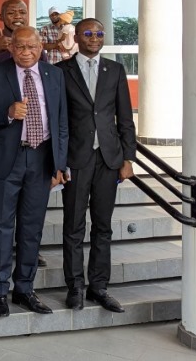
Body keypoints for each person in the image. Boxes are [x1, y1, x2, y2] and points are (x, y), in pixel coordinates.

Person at [0, 26, 68, 317]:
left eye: (31, 46)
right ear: (10, 48)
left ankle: (25, 289)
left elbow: (62, 122)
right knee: (0, 227)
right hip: (7, 160)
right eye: (19, 47)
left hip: (41, 159)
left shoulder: (54, 75)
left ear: (41, 47)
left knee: (32, 228)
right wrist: (7, 113)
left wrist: (60, 163)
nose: (26, 52)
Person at [57, 18, 136, 313]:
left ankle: (99, 287)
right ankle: (75, 287)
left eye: (99, 33)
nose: (94, 37)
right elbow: (58, 119)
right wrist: (59, 162)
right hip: (76, 159)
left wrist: (128, 158)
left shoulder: (114, 70)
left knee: (103, 227)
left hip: (108, 158)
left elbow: (124, 117)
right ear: (77, 37)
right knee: (73, 226)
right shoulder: (61, 71)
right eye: (88, 33)